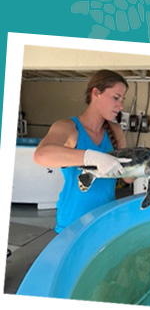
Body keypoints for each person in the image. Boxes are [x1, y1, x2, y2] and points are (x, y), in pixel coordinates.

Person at [33, 69, 133, 233]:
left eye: (122, 99)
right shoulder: (68, 127)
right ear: (96, 93)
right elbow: (41, 155)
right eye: (116, 98)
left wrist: (146, 167)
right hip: (73, 222)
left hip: (105, 218)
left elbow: (128, 178)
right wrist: (91, 157)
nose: (120, 106)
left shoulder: (115, 130)